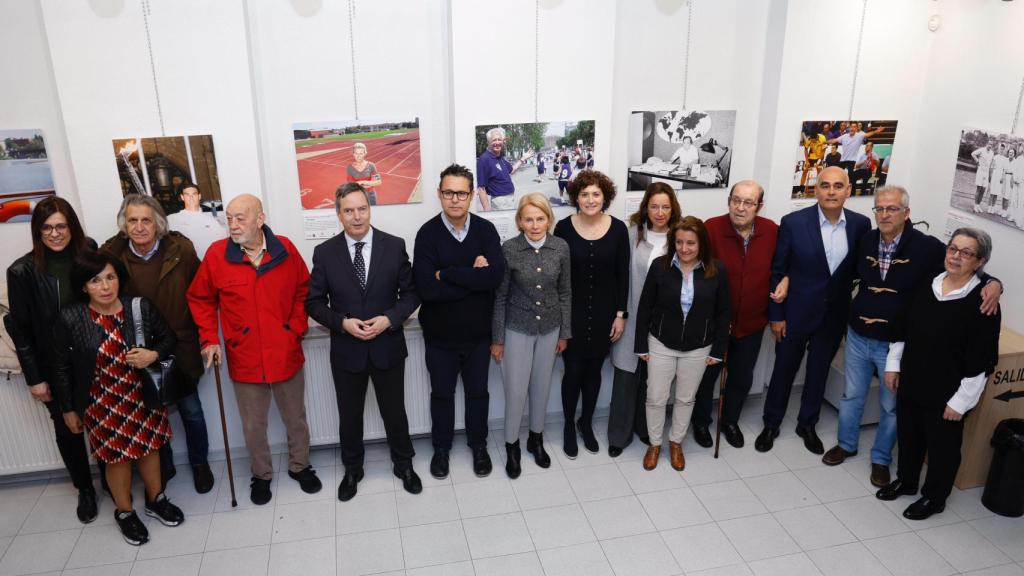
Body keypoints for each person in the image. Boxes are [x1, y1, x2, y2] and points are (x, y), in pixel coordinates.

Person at [821, 187, 1003, 487]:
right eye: (879, 209)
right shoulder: (866, 239)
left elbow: (961, 265)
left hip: (894, 341)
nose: (884, 214)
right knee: (852, 395)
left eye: (891, 209)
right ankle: (846, 444)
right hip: (858, 333)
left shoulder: (929, 247)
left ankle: (881, 459)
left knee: (891, 405)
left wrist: (994, 283)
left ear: (907, 212)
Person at [187, 194, 321, 505]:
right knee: (253, 425)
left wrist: (295, 328)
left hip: (285, 351)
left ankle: (300, 466)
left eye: (240, 218)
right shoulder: (217, 255)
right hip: (244, 355)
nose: (232, 225)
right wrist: (209, 338)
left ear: (260, 219)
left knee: (295, 418)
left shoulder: (285, 248)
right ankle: (261, 475)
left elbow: (305, 289)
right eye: (229, 218)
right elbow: (201, 299)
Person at [53, 251, 184, 545]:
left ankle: (156, 500)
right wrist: (68, 409)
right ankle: (125, 513)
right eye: (95, 280)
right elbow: (60, 366)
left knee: (151, 450)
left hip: (142, 395)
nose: (105, 286)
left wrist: (154, 353)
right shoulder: (71, 317)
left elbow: (168, 338)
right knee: (117, 460)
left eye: (110, 277)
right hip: (101, 402)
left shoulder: (138, 308)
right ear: (84, 286)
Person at [306, 183, 422, 501]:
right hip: (347, 350)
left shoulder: (394, 245)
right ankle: (353, 469)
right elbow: (313, 303)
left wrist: (389, 319)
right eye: (349, 211)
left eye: (362, 209)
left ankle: (404, 465)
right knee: (350, 415)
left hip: (387, 346)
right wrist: (342, 323)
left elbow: (411, 294)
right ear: (338, 213)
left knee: (394, 412)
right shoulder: (325, 253)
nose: (357, 217)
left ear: (370, 208)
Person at [875, 228, 1001, 520]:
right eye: (953, 248)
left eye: (966, 253)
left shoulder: (983, 303)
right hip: (913, 379)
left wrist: (961, 402)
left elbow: (981, 360)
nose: (956, 257)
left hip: (948, 393)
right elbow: (902, 328)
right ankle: (907, 481)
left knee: (942, 448)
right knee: (909, 437)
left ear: (979, 261)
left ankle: (935, 497)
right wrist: (893, 366)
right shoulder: (927, 284)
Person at [100, 194, 214, 494]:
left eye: (146, 220)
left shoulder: (182, 249)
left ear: (158, 223)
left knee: (191, 411)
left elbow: (202, 293)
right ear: (125, 224)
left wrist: (207, 335)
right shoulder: (111, 254)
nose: (139, 227)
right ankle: (163, 467)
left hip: (180, 346)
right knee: (152, 413)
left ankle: (200, 464)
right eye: (133, 220)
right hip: (136, 352)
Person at [755, 166, 871, 454]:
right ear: (815, 189)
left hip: (833, 316)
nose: (831, 191)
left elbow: (857, 270)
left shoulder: (860, 225)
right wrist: (776, 315)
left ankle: (807, 424)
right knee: (784, 370)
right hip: (795, 314)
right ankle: (771, 423)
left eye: (838, 186)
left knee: (819, 372)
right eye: (825, 185)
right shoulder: (794, 222)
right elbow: (778, 270)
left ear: (848, 191)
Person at [4, 198, 99, 523]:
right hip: (53, 366)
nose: (55, 233)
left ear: (71, 226)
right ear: (37, 231)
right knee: (67, 429)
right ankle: (85, 489)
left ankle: (117, 481)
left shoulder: (90, 254)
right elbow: (21, 329)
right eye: (47, 227)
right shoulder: (22, 271)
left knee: (103, 421)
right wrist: (34, 377)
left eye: (61, 226)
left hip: (94, 357)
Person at [412, 165, 504, 480]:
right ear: (440, 194)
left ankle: (479, 446)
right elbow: (427, 289)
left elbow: (493, 277)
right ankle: (441, 448)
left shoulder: (486, 231)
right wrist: (471, 273)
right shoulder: (426, 234)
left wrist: (448, 272)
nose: (455, 199)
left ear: (470, 196)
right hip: (440, 335)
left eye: (461, 193)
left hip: (478, 335)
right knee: (442, 394)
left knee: (478, 393)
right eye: (448, 192)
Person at [635, 217, 730, 471]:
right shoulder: (659, 266)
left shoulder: (716, 270)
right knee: (655, 397)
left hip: (699, 347)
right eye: (679, 242)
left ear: (702, 244)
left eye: (690, 243)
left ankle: (675, 442)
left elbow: (723, 314)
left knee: (686, 399)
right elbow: (644, 308)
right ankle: (654, 444)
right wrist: (641, 345)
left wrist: (718, 350)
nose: (684, 248)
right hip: (661, 342)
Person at [691, 180, 779, 449]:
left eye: (748, 203)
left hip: (752, 322)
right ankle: (701, 422)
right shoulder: (712, 228)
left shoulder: (772, 231)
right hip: (715, 323)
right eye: (735, 200)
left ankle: (730, 420)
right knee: (706, 377)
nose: (740, 208)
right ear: (729, 200)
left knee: (741, 377)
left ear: (759, 206)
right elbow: (699, 272)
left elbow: (779, 269)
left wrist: (783, 281)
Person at [491, 193, 571, 478]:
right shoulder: (509, 249)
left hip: (550, 329)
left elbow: (564, 292)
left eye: (540, 218)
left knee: (541, 387)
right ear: (520, 222)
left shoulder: (560, 247)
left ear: (549, 219)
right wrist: (498, 338)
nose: (535, 225)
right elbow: (499, 297)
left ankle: (535, 439)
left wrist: (565, 333)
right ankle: (512, 445)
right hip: (516, 329)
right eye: (529, 219)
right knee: (515, 391)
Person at [554, 170, 629, 458]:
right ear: (576, 197)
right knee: (572, 371)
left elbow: (623, 275)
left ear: (605, 197)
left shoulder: (619, 229)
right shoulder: (562, 228)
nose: (590, 199)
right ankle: (568, 426)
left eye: (596, 194)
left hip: (604, 314)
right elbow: (557, 276)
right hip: (570, 313)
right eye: (584, 194)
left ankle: (586, 424)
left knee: (594, 372)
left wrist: (620, 314)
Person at [607, 182, 682, 456]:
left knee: (655, 381)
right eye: (654, 206)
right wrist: (620, 314)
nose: (659, 212)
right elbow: (621, 278)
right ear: (645, 208)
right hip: (632, 316)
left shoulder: (680, 237)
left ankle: (644, 429)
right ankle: (618, 437)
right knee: (626, 377)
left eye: (665, 206)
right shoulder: (632, 235)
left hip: (663, 321)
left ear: (672, 208)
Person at [476, 127, 533, 211]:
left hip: (510, 199)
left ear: (503, 142)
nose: (497, 142)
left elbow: (511, 170)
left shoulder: (500, 158)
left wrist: (523, 159)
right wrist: (487, 210)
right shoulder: (484, 159)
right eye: (494, 140)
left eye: (499, 140)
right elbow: (481, 188)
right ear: (488, 142)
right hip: (500, 201)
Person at [166, 182, 227, 260]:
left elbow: (223, 242)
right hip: (188, 265)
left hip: (210, 263)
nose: (191, 197)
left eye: (194, 194)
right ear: (182, 197)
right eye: (187, 194)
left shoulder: (211, 220)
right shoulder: (172, 219)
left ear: (199, 196)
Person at [970, 142, 995, 214]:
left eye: (991, 144)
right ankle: (975, 205)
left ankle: (978, 205)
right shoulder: (981, 150)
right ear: (986, 144)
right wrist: (977, 162)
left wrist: (990, 174)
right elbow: (973, 154)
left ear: (992, 146)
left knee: (983, 190)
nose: (990, 145)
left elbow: (991, 164)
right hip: (980, 171)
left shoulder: (992, 153)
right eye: (989, 144)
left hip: (986, 173)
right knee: (979, 188)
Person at [987, 143, 1008, 215]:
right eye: (1000, 149)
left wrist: (1002, 177)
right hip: (994, 175)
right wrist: (990, 176)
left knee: (996, 193)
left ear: (1005, 150)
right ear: (999, 149)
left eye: (1003, 149)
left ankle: (993, 207)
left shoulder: (1005, 159)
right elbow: (992, 167)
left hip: (1000, 176)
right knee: (992, 192)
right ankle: (989, 207)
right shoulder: (995, 157)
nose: (1001, 150)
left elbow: (1004, 170)